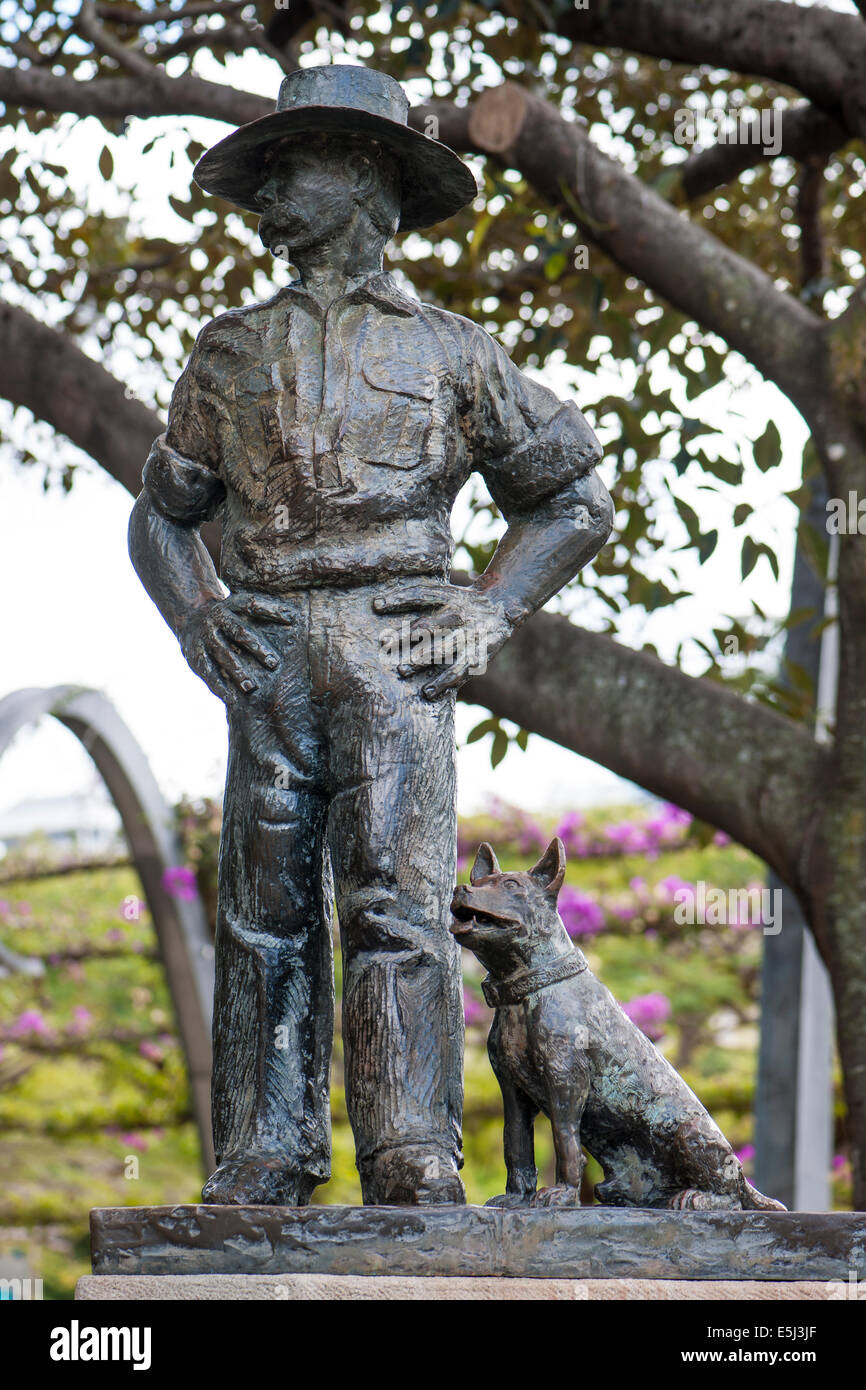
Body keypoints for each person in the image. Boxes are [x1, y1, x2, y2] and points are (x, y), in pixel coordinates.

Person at [129, 64, 613, 1206]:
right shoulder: (226, 350)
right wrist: (199, 614)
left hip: (397, 650)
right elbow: (161, 512)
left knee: (399, 903)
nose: (267, 196)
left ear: (365, 180)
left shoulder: (451, 352)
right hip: (268, 651)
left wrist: (489, 606)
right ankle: (263, 1152)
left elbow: (574, 496)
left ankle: (409, 1154)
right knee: (261, 910)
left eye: (290, 167)